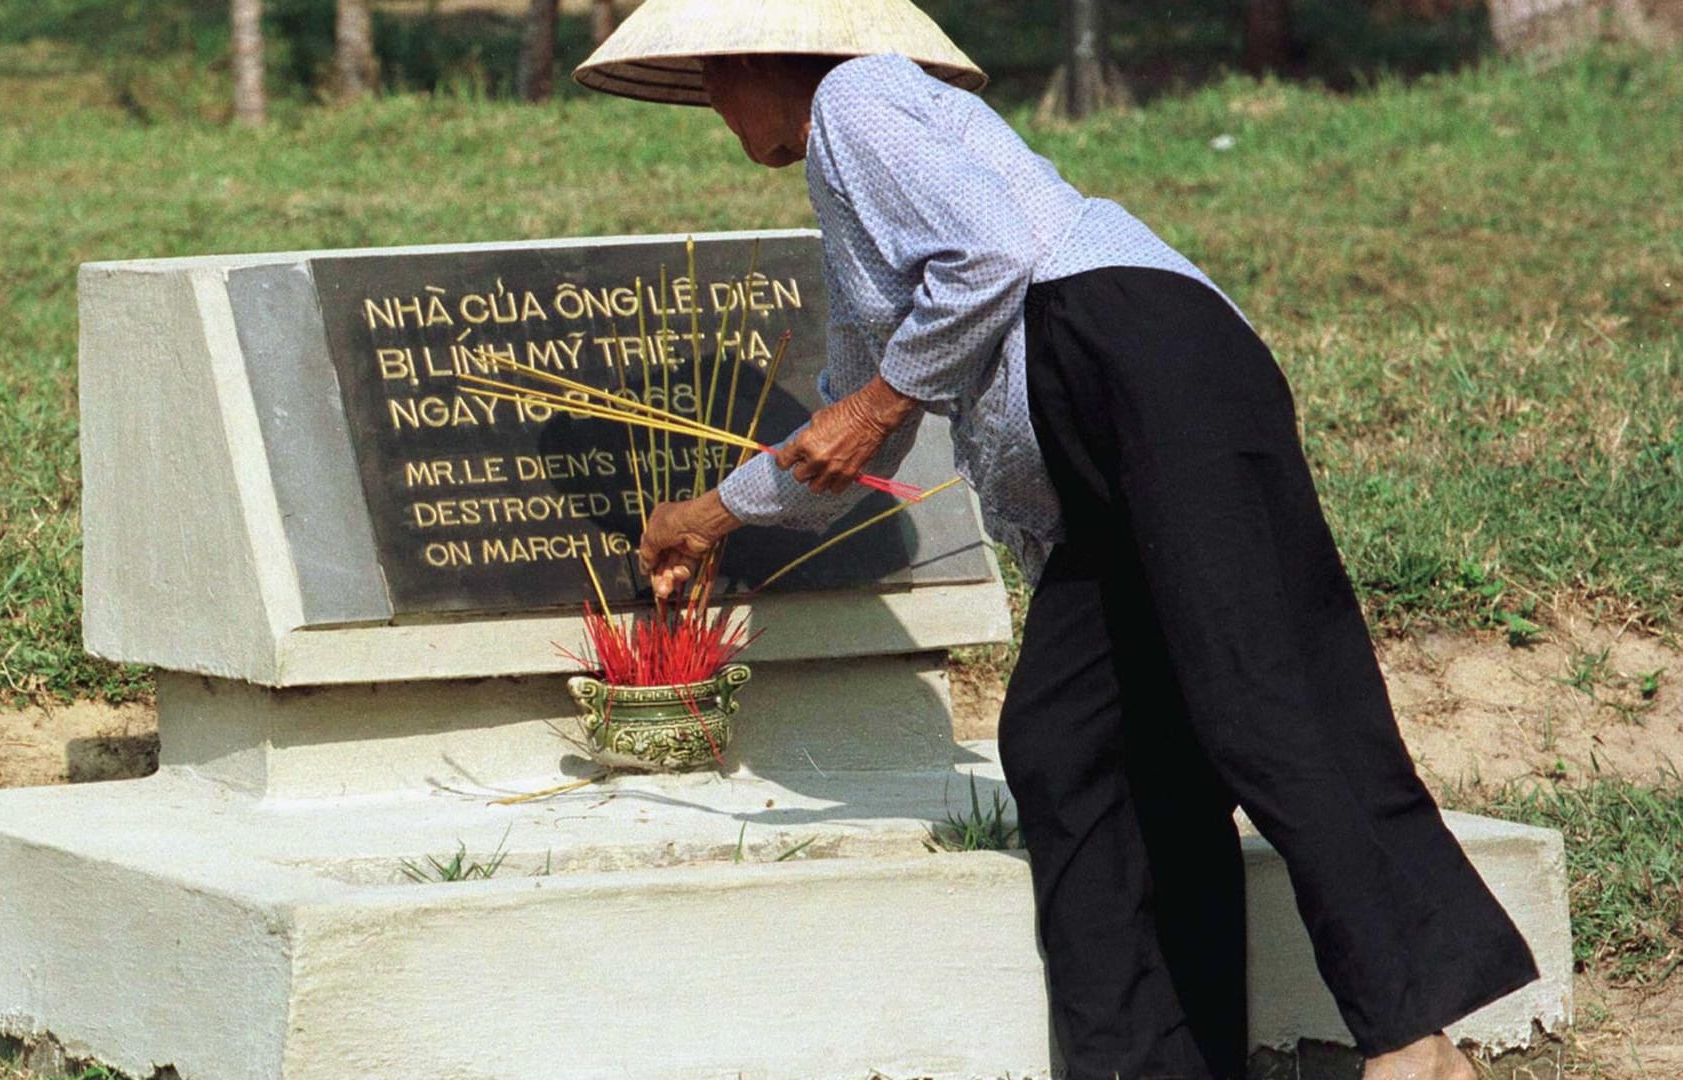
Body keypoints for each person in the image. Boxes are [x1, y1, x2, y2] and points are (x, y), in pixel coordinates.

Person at [575, 3, 1540, 1078]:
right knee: (1072, 743)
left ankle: (1415, 1046)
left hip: (1145, 360)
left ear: (765, 61)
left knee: (1259, 699)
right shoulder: (847, 204)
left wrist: (882, 405)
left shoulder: (858, 95)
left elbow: (988, 261)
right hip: (1099, 436)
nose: (709, 101)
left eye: (713, 75)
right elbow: (841, 421)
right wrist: (705, 519)